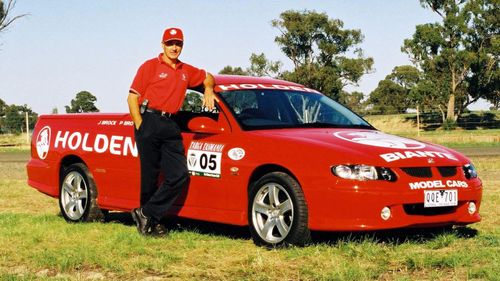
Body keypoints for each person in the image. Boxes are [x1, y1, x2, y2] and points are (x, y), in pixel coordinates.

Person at [127, 27, 218, 236]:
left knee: (179, 175)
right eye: (170, 43)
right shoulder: (149, 66)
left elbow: (208, 76)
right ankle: (150, 222)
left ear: (182, 46)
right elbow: (132, 98)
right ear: (162, 45)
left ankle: (146, 213)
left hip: (171, 124)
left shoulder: (186, 70)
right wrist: (141, 125)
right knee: (150, 176)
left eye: (178, 43)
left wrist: (209, 89)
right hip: (148, 119)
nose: (174, 47)